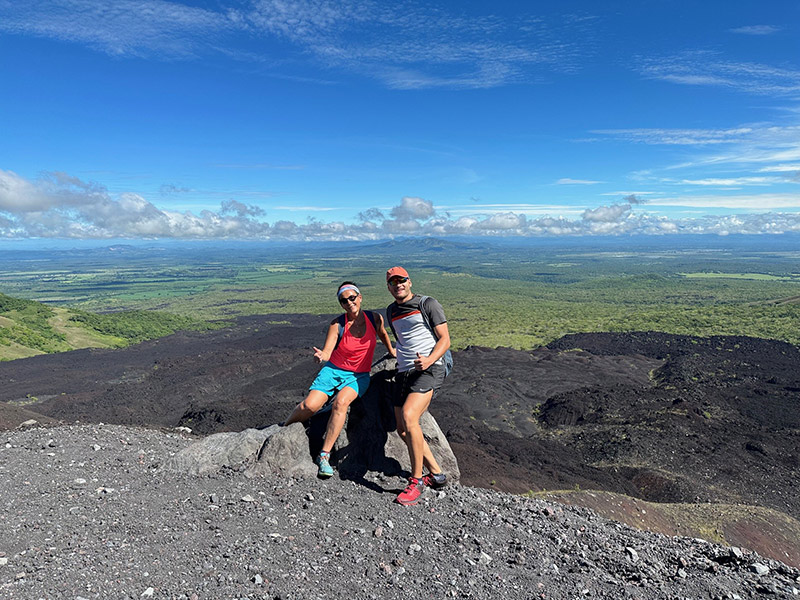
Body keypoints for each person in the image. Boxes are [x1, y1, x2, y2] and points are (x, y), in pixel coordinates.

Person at [282, 281, 395, 478]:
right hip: (333, 370)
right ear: (341, 304)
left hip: (358, 375)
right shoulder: (337, 324)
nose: (349, 303)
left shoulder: (374, 318)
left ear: (360, 297)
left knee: (341, 403)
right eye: (344, 301)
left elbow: (383, 334)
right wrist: (322, 356)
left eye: (352, 298)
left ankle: (324, 456)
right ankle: (284, 428)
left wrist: (392, 351)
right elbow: (328, 351)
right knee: (310, 406)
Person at [385, 266, 451, 506]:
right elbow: (402, 340)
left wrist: (429, 360)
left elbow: (445, 339)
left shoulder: (427, 304)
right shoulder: (391, 311)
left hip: (430, 368)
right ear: (389, 287)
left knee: (409, 416)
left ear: (409, 282)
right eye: (393, 282)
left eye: (402, 280)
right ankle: (437, 474)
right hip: (404, 372)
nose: (398, 285)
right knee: (402, 429)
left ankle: (416, 481)